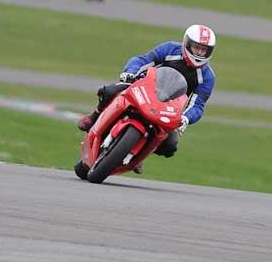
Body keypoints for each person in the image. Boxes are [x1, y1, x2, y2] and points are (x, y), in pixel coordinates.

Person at [77, 24, 216, 173]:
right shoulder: (170, 49)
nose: (200, 52)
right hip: (145, 88)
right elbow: (143, 60)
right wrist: (130, 73)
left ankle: (139, 153)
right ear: (187, 44)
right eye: (197, 47)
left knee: (170, 145)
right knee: (109, 91)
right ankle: (94, 116)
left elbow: (198, 105)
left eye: (204, 50)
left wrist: (186, 118)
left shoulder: (207, 77)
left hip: (168, 108)